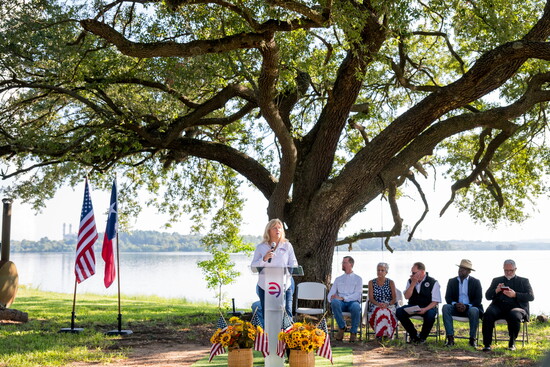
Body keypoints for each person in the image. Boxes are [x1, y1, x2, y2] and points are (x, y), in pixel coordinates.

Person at [250, 218, 298, 321]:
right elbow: (253, 266)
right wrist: (264, 259)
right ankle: (269, 335)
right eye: (275, 228)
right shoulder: (261, 247)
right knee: (267, 312)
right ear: (268, 231)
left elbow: (294, 263)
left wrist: (288, 268)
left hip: (285, 284)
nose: (278, 230)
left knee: (287, 311)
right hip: (265, 285)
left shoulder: (287, 246)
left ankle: (287, 335)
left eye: (280, 228)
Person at [482, 259, 534, 352]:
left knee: (514, 315)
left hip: (517, 307)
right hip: (499, 307)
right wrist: (496, 290)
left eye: (511, 270)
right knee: (488, 313)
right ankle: (487, 344)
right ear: (503, 269)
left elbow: (531, 296)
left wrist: (515, 295)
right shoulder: (496, 280)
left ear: (515, 269)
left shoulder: (524, 281)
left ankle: (512, 342)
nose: (509, 272)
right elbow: (487, 296)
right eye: (506, 270)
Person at [396, 261, 441, 344]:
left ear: (422, 272)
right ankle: (413, 335)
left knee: (430, 315)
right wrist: (413, 284)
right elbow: (407, 296)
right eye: (411, 273)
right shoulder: (410, 281)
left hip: (427, 307)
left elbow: (435, 301)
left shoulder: (433, 282)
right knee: (399, 311)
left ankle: (422, 337)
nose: (412, 275)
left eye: (414, 273)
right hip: (413, 306)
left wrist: (425, 309)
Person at [442, 259, 484, 347]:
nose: (461, 270)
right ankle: (450, 338)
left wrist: (467, 306)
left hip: (470, 308)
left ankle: (472, 339)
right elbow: (448, 298)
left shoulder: (476, 282)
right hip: (455, 307)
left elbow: (478, 300)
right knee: (445, 307)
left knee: (474, 310)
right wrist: (455, 304)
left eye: (464, 269)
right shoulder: (452, 281)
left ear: (469, 271)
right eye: (460, 268)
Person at [327, 256, 363, 342]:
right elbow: (330, 294)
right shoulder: (338, 279)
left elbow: (357, 294)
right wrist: (332, 298)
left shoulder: (358, 279)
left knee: (356, 307)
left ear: (351, 264)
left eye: (344, 263)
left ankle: (353, 332)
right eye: (342, 263)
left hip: (352, 302)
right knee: (334, 302)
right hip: (340, 303)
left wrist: (343, 298)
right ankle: (342, 327)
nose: (342, 264)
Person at [363, 262, 398, 340]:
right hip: (375, 304)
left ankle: (387, 334)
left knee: (386, 312)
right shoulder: (371, 282)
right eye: (378, 270)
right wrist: (378, 304)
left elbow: (394, 298)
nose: (380, 272)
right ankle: (379, 334)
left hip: (389, 304)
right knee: (379, 311)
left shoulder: (391, 282)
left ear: (386, 272)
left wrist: (387, 304)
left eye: (382, 270)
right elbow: (371, 298)